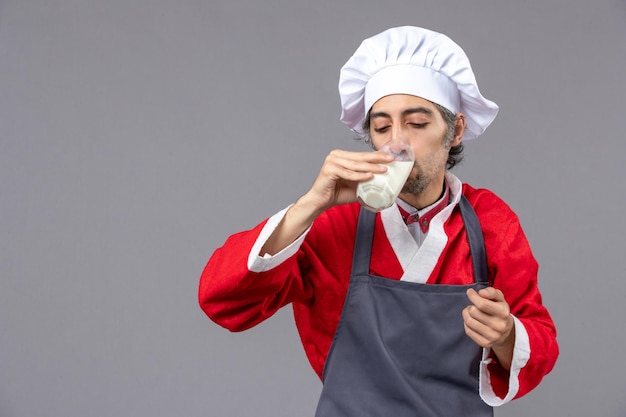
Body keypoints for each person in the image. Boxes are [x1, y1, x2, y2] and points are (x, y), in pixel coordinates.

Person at [199, 26, 559, 416]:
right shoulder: (335, 222)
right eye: (382, 127)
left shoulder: (490, 221)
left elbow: (539, 338)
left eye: (417, 124)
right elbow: (222, 301)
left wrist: (505, 335)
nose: (395, 142)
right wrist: (309, 204)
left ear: (455, 130)